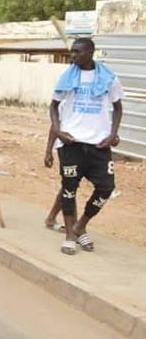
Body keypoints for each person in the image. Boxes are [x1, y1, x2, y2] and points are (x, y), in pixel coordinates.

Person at [49, 37, 122, 255]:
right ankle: (70, 234)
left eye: (77, 52)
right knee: (69, 189)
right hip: (72, 143)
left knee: (106, 187)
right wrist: (59, 131)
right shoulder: (67, 76)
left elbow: (118, 107)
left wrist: (113, 134)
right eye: (72, 52)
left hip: (99, 144)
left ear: (90, 52)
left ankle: (81, 225)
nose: (73, 56)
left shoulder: (108, 78)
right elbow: (53, 106)